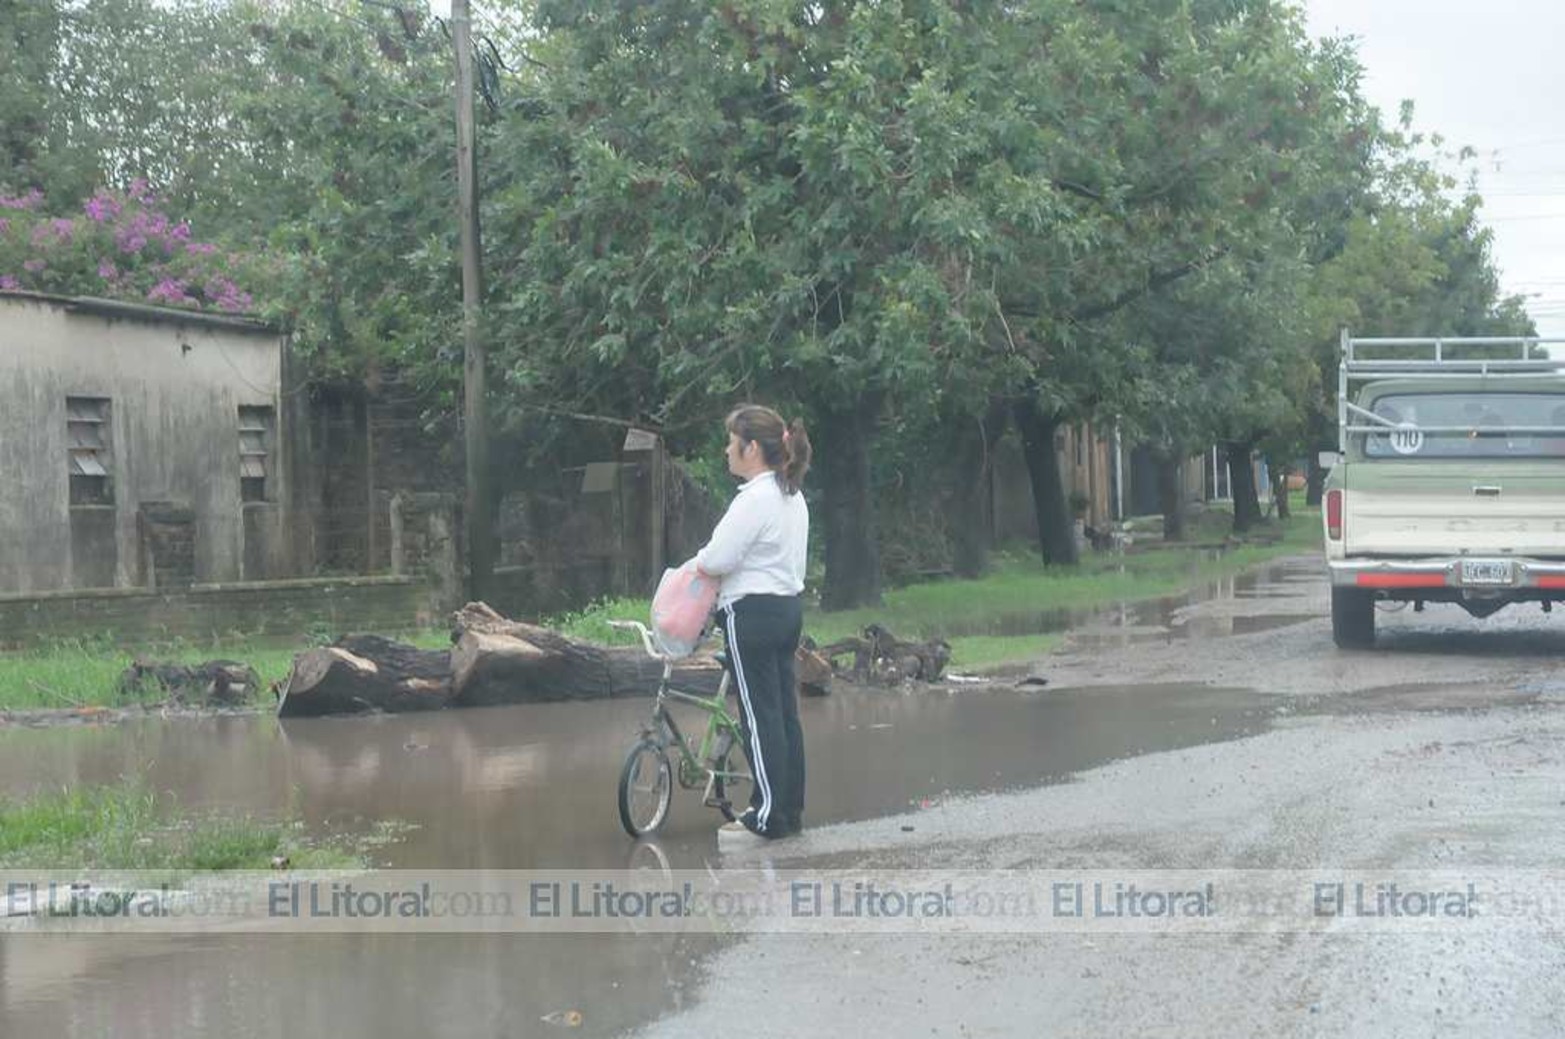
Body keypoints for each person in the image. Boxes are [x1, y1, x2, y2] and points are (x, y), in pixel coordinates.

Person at [692, 404, 812, 844]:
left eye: (731, 441)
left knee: (759, 719)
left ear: (752, 448)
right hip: (787, 611)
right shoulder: (791, 496)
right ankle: (788, 811)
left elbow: (717, 559)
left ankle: (765, 818)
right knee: (783, 715)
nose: (727, 450)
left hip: (751, 615)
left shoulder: (754, 498)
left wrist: (698, 564)